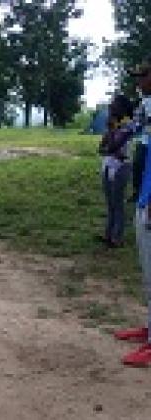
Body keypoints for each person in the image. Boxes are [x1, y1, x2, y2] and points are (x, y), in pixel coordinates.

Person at [114, 61, 151, 368]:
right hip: (143, 196)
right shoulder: (146, 107)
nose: (139, 82)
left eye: (143, 76)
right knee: (147, 272)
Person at [98, 95, 135, 248]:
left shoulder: (129, 124)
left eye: (114, 104)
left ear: (123, 108)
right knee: (110, 203)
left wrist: (111, 132)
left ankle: (117, 238)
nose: (111, 107)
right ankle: (108, 234)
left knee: (117, 203)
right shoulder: (114, 124)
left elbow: (113, 146)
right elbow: (101, 148)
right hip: (108, 165)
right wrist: (110, 145)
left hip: (121, 167)